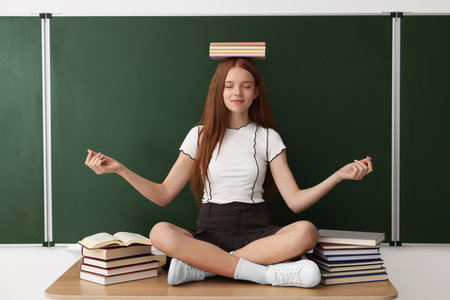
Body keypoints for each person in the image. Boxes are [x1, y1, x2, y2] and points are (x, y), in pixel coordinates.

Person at [85, 57, 373, 288]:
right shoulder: (200, 135)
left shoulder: (268, 137)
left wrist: (338, 176)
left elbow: (295, 202)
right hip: (210, 229)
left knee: (307, 232)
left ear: (256, 92)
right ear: (218, 90)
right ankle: (266, 275)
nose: (237, 93)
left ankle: (206, 268)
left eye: (246, 86)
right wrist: (120, 170)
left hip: (257, 231)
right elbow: (163, 194)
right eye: (229, 85)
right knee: (160, 232)